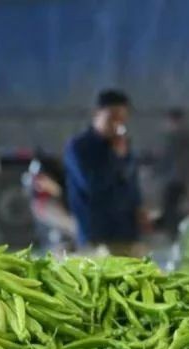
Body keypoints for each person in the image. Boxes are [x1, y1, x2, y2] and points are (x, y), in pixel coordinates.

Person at [63, 89, 149, 255]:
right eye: (112, 118)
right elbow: (92, 185)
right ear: (97, 114)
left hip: (127, 232)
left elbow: (130, 182)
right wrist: (115, 157)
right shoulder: (79, 147)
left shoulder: (122, 146)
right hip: (97, 233)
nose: (117, 125)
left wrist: (139, 208)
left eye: (122, 119)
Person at [156, 108, 189, 235]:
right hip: (184, 177)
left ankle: (173, 232)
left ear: (174, 121)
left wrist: (158, 171)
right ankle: (177, 231)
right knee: (176, 206)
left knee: (170, 207)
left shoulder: (175, 135)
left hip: (175, 178)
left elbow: (166, 157)